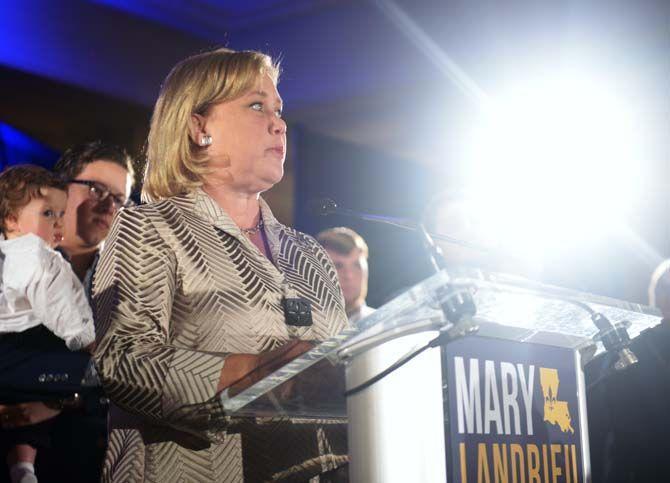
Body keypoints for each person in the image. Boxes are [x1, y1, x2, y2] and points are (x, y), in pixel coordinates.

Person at [92, 47, 349, 482]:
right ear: (199, 126)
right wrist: (259, 373)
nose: (279, 122)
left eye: (279, 110)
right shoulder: (150, 227)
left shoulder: (310, 255)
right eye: (256, 105)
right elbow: (124, 360)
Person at [0, 143, 134, 483]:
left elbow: (136, 373)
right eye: (96, 189)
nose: (108, 205)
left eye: (118, 199)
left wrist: (62, 399)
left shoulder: (135, 286)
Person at [0, 165, 96, 483]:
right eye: (47, 213)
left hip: (18, 351)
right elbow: (61, 311)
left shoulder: (18, 253)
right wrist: (89, 344)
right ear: (11, 219)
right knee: (92, 369)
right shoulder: (34, 255)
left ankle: (23, 465)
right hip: (20, 349)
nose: (58, 222)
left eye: (60, 213)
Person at [317, 227, 374, 324]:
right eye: (338, 266)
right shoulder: (293, 331)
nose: (349, 275)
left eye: (357, 265)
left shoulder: (387, 327)